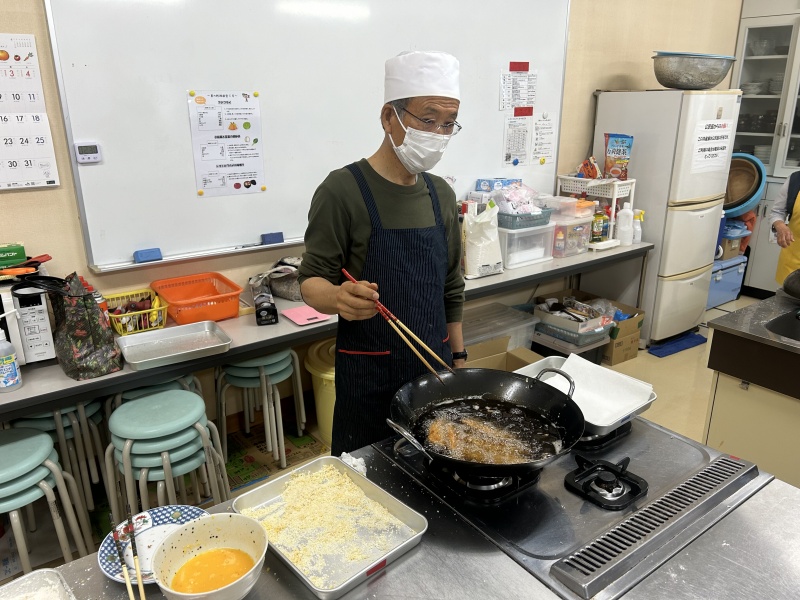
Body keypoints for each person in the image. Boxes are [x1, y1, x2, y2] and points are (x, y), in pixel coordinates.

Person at [298, 50, 466, 456]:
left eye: (448, 123)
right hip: (369, 375)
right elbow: (310, 281)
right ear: (389, 116)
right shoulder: (342, 190)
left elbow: (451, 285)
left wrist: (459, 359)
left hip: (434, 368)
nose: (438, 133)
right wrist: (337, 297)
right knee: (366, 478)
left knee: (436, 473)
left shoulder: (441, 194)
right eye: (428, 119)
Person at [770, 171, 799, 285]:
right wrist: (781, 226)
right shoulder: (795, 179)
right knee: (789, 293)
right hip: (793, 258)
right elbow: (777, 211)